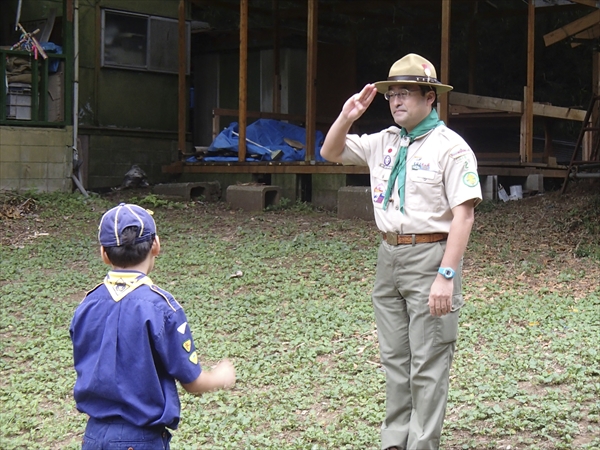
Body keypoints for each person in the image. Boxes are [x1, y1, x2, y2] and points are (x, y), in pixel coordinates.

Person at [320, 53, 482, 450]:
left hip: (431, 257)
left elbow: (463, 217)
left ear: (430, 98)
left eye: (406, 93)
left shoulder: (451, 148)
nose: (396, 101)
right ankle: (395, 440)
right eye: (392, 94)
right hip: (388, 256)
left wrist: (446, 276)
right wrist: (347, 116)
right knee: (395, 359)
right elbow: (330, 152)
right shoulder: (384, 142)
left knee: (428, 362)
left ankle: (422, 444)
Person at [70, 203, 236, 449]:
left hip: (93, 437)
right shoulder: (162, 308)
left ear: (104, 253)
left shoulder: (86, 304)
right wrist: (219, 377)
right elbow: (193, 383)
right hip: (141, 439)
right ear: (156, 245)